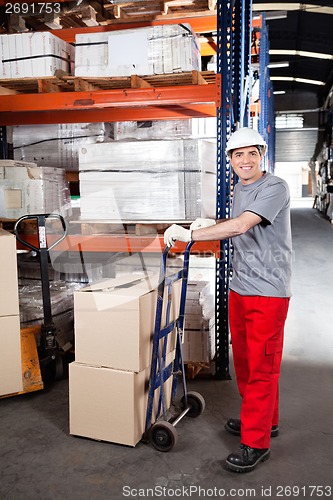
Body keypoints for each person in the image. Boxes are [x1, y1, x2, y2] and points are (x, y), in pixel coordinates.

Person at [164, 127, 292, 473]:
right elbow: (234, 223)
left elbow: (241, 227)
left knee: (262, 367)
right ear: (230, 160)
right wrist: (213, 222)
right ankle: (267, 422)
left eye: (251, 153)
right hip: (241, 287)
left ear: (261, 155)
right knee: (249, 364)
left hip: (268, 290)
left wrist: (192, 234)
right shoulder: (241, 187)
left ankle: (256, 443)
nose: (245, 160)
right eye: (238, 155)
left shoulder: (274, 186)